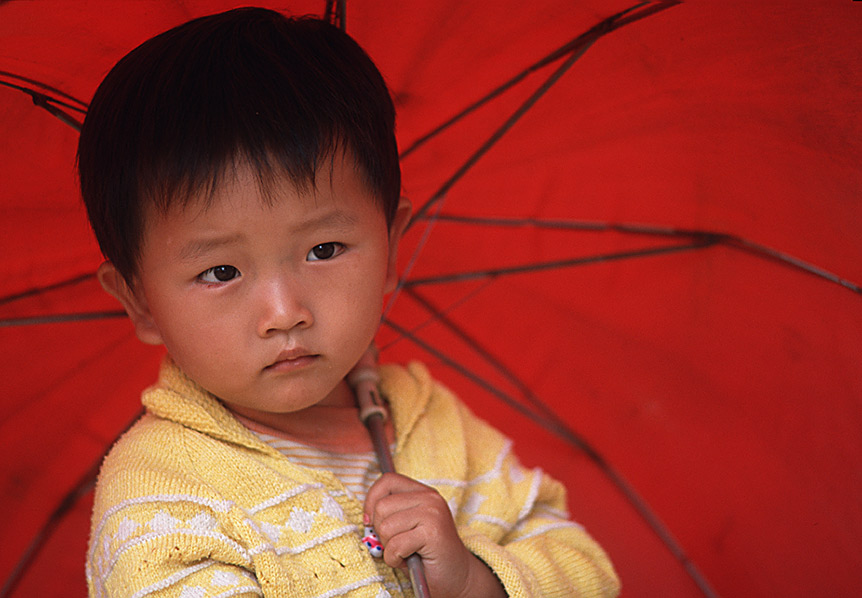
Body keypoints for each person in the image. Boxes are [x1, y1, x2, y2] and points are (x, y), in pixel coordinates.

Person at [79, 7, 620, 598]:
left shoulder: (433, 423)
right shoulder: (158, 501)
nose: (285, 312)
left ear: (390, 247)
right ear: (140, 302)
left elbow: (583, 565)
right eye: (221, 271)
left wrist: (472, 581)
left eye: (324, 248)